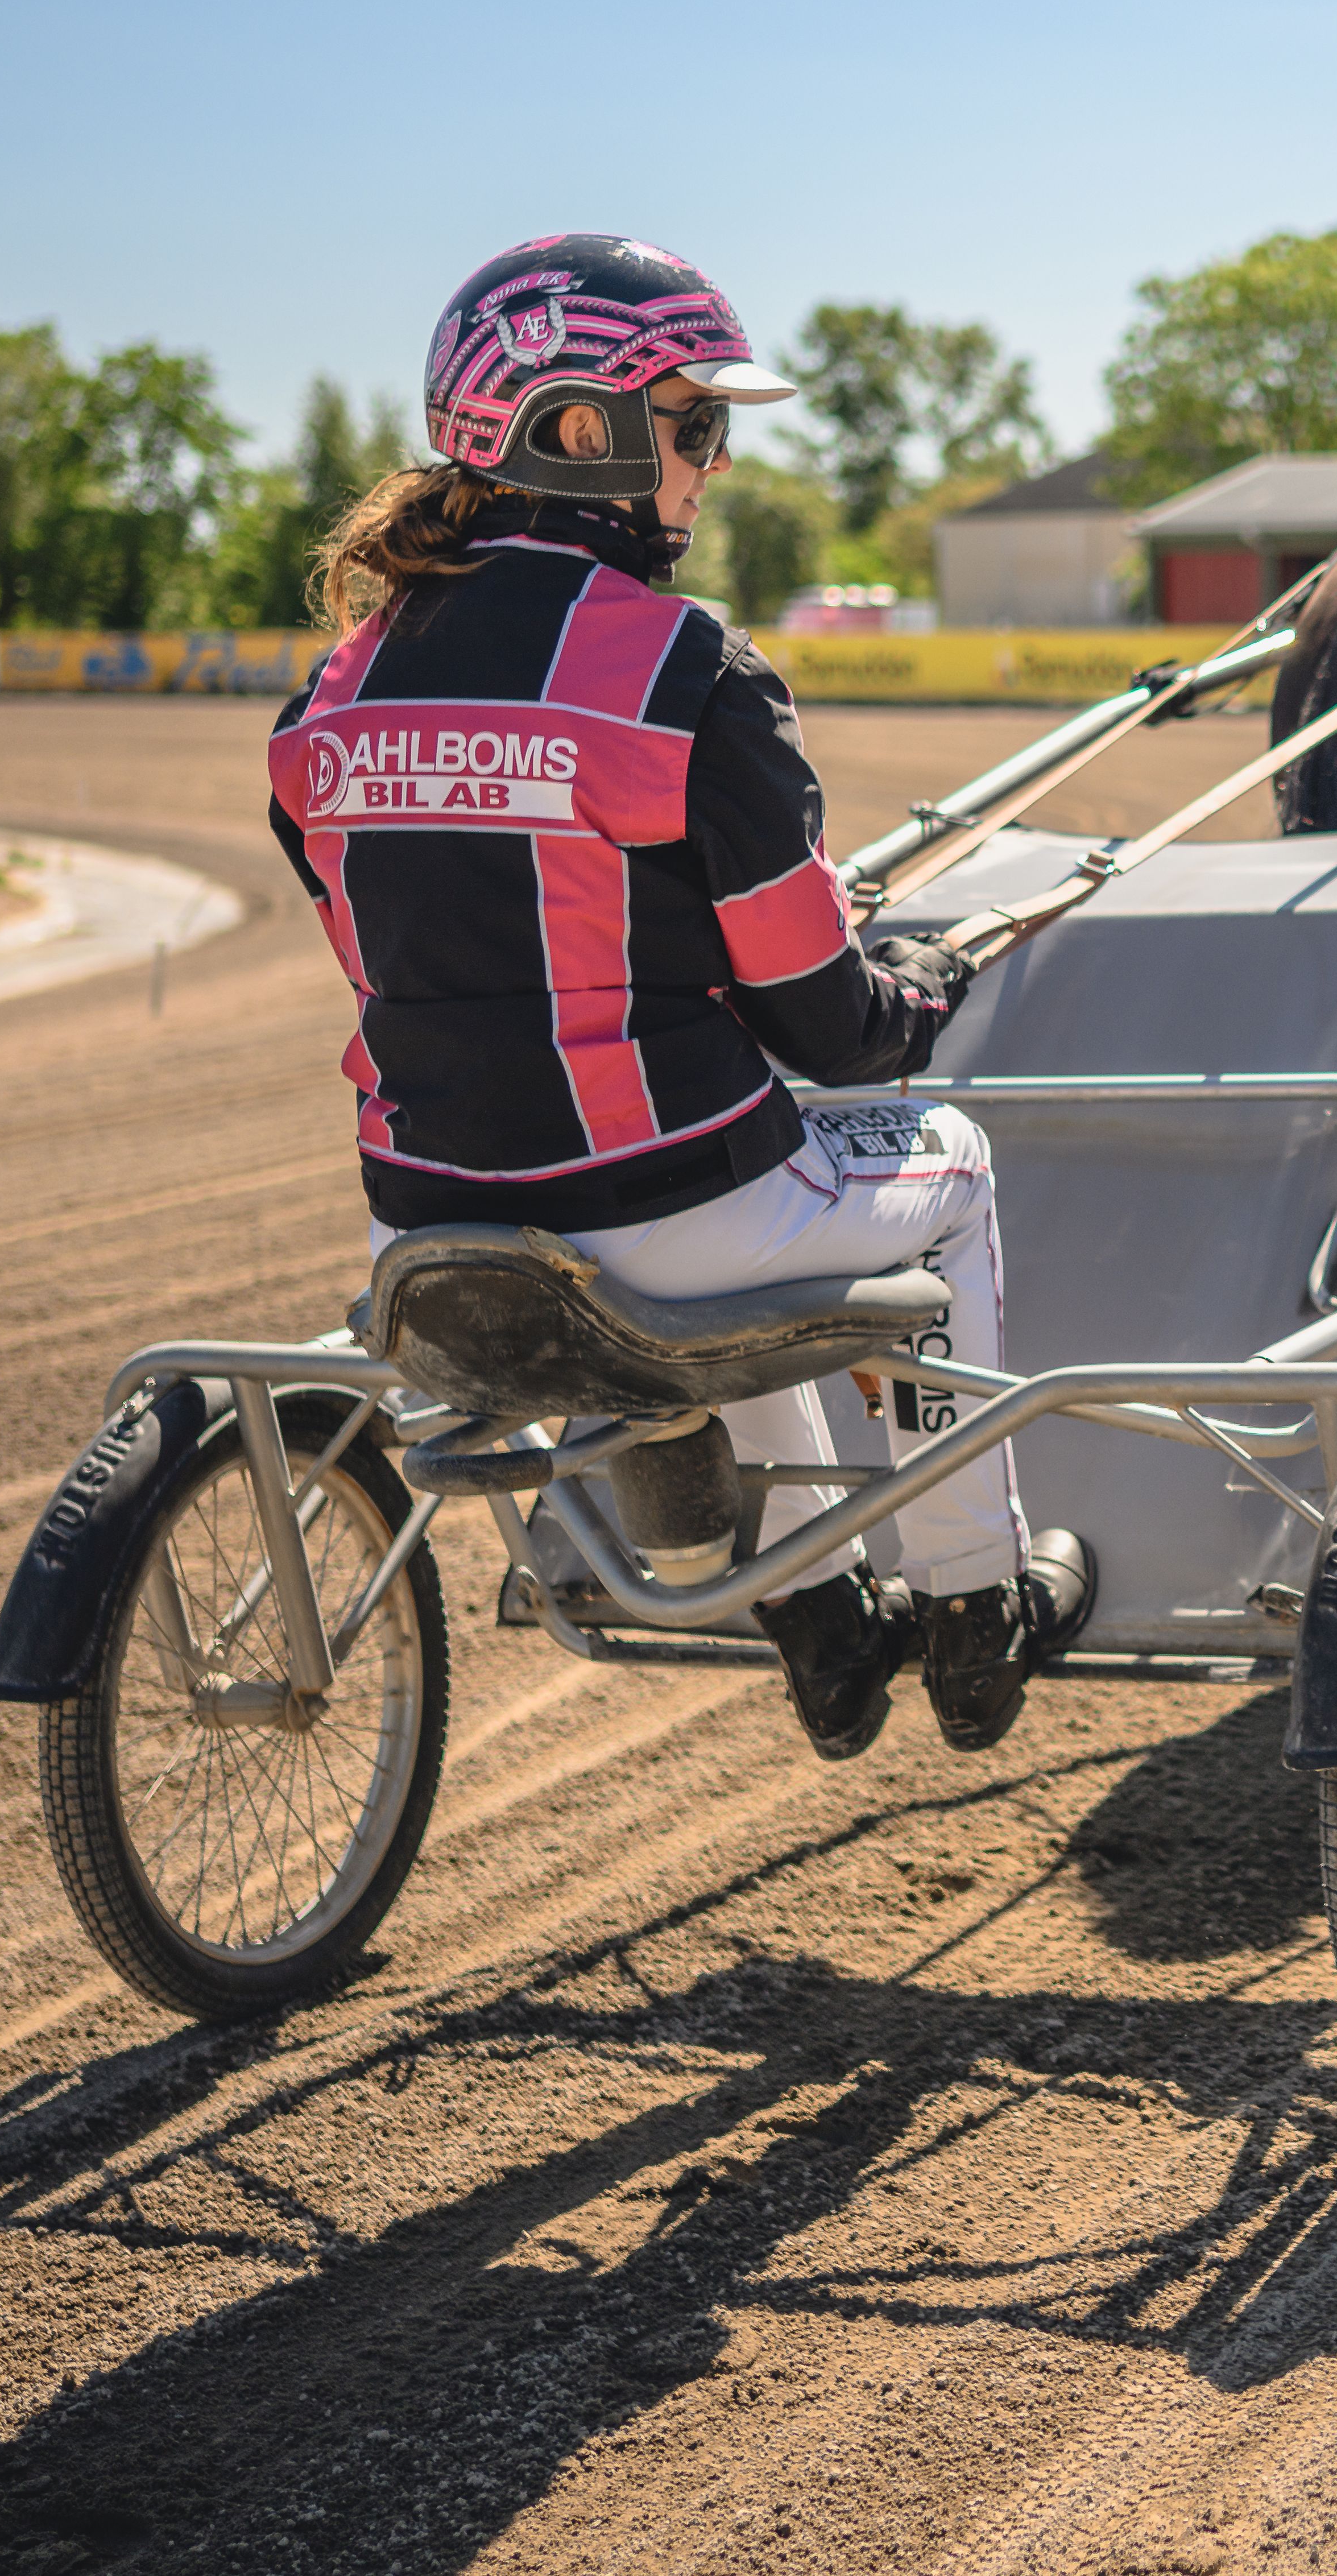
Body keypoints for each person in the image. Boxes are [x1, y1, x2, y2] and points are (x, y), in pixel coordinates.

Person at [267, 233, 1091, 1759]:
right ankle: (977, 1612)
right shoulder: (690, 670)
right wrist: (916, 991)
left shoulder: (333, 688)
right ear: (579, 433)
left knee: (728, 1193)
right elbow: (822, 1022)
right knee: (932, 1163)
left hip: (423, 1222)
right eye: (695, 425)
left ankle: (826, 1619)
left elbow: (426, 941)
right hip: (665, 1214)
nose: (709, 467)